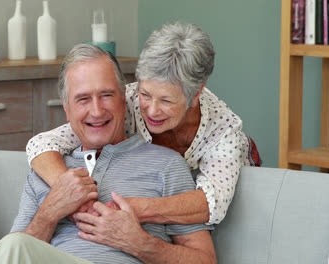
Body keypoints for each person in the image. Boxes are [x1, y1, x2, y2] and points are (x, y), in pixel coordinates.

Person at [0, 44, 216, 264]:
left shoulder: (167, 165)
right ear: (67, 108)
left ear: (124, 100)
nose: (96, 110)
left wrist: (142, 244)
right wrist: (50, 212)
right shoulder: (47, 169)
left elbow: (205, 260)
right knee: (15, 243)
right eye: (83, 99)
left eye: (106, 95)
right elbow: (16, 253)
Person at [26, 22, 262, 226]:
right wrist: (71, 194)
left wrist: (131, 208)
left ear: (196, 93)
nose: (151, 110)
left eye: (167, 100)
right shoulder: (125, 101)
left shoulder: (223, 128)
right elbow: (41, 143)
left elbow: (212, 204)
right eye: (146, 94)